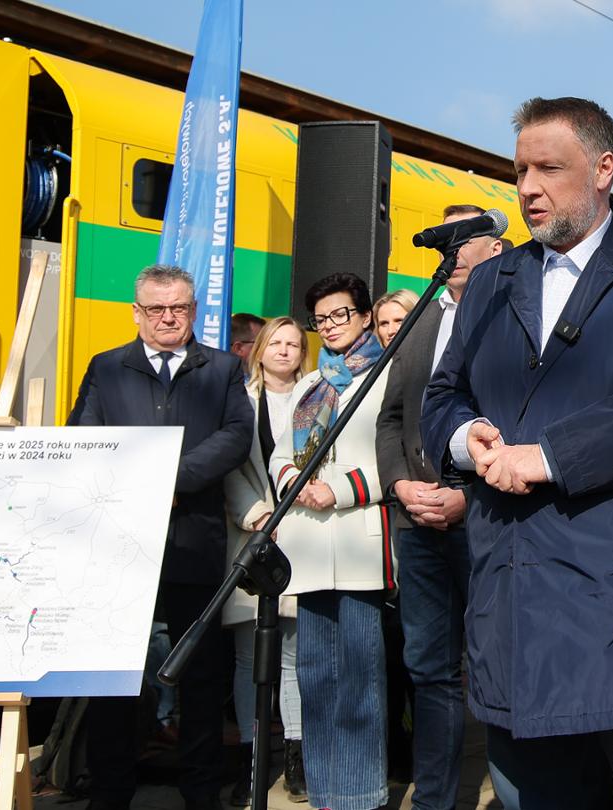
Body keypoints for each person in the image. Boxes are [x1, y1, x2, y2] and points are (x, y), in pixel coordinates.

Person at [420, 96, 613, 809]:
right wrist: (469, 439)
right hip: (513, 597)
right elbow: (443, 397)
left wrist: (548, 454)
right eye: (521, 168)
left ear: (603, 169)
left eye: (548, 168)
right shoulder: (490, 282)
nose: (527, 186)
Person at [69, 264, 252, 810]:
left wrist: (170, 479)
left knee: (199, 669)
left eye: (179, 308)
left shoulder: (221, 369)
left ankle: (200, 790)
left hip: (193, 535)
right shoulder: (107, 368)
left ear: (194, 311)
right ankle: (110, 789)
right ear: (137, 312)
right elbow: (85, 437)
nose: (168, 318)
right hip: (120, 537)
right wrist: (139, 487)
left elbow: (236, 436)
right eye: (156, 309)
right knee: (117, 669)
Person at [376, 202, 503, 810]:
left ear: (494, 249)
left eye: (464, 238)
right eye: (443, 239)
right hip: (416, 520)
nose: (449, 251)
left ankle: (515, 790)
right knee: (428, 669)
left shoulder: (513, 314)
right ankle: (435, 799)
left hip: (484, 520)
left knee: (496, 663)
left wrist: (467, 496)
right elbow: (390, 417)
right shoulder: (421, 319)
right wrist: (400, 484)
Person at [266, 272, 394, 810]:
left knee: (360, 679)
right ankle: (325, 792)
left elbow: (397, 456)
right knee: (316, 677)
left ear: (365, 316)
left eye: (341, 314)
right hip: (309, 547)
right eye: (321, 319)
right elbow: (279, 453)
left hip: (360, 542)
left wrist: (337, 490)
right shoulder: (308, 385)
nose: (331, 326)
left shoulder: (389, 376)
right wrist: (292, 479)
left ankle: (361, 794)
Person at [220, 316, 310, 806]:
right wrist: (256, 514)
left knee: (295, 658)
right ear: (259, 349)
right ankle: (253, 758)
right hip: (249, 538)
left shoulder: (318, 396)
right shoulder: (241, 399)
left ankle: (295, 759)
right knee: (248, 659)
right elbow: (232, 462)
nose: (283, 350)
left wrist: (292, 516)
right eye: (275, 341)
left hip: (302, 538)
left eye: (293, 343)